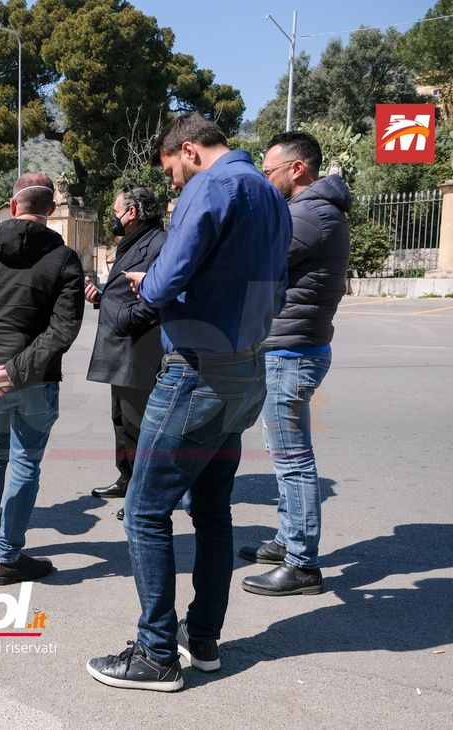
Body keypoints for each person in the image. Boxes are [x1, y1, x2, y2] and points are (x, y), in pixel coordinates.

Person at [85, 114, 290, 692]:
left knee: (145, 510)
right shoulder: (269, 194)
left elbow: (170, 273)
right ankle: (201, 640)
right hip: (245, 365)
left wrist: (147, 284)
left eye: (172, 170)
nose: (173, 182)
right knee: (213, 510)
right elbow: (269, 282)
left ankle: (155, 654)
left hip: (196, 371)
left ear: (190, 150)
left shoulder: (212, 185)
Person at [0, 172, 84, 584]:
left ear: (12, 206)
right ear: (51, 210)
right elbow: (63, 328)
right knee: (24, 463)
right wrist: (14, 371)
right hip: (33, 379)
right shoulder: (64, 259)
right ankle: (7, 556)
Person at [238, 131, 350, 597]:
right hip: (291, 349)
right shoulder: (310, 211)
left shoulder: (309, 214)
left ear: (297, 168)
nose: (266, 179)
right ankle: (288, 540)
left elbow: (253, 261)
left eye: (269, 171)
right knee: (285, 454)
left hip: (292, 354)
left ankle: (302, 564)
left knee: (293, 460)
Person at [85, 185, 167, 523]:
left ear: (132, 213)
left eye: (116, 211)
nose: (114, 218)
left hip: (139, 348)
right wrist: (102, 295)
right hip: (119, 349)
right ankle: (127, 478)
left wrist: (124, 316)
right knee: (121, 421)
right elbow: (126, 289)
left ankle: (143, 493)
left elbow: (157, 297)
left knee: (139, 426)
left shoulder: (159, 243)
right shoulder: (134, 241)